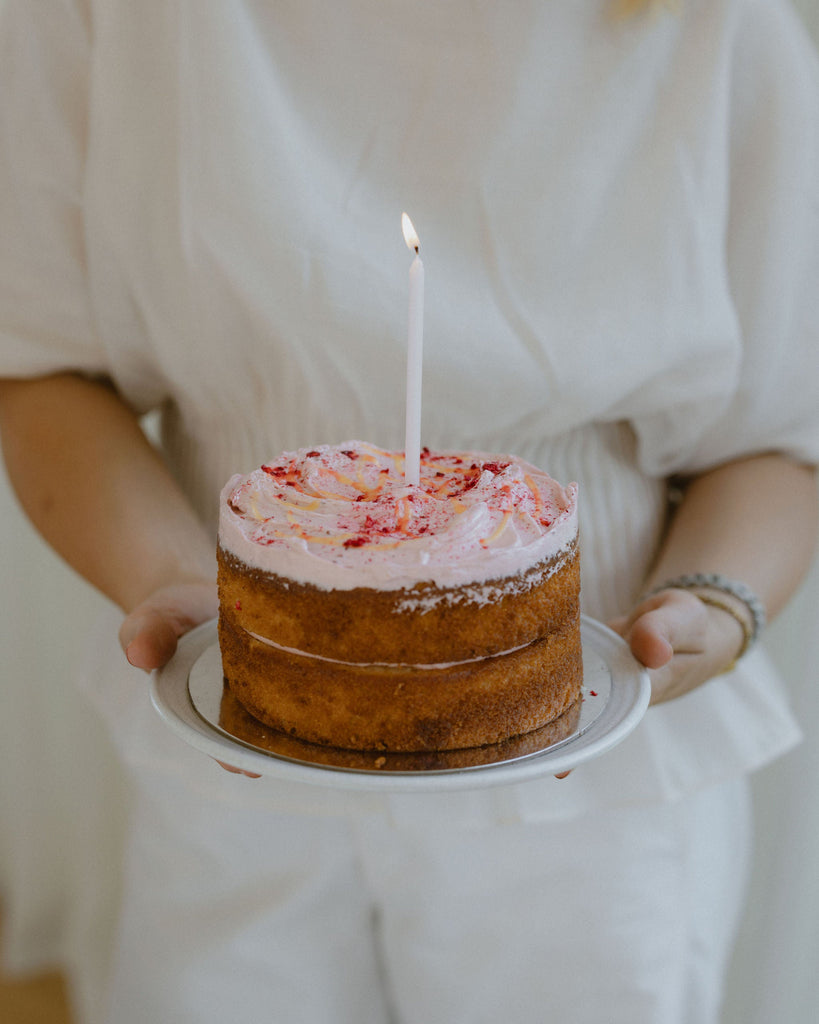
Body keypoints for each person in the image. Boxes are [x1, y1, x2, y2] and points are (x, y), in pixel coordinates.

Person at [1, 1, 818, 1021]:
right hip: (232, 728)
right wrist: (182, 586)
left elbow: (780, 437)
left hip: (598, 795)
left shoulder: (722, 26)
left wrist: (711, 603)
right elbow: (41, 362)